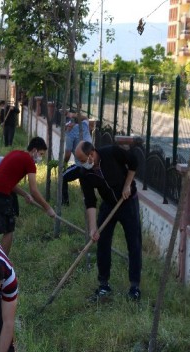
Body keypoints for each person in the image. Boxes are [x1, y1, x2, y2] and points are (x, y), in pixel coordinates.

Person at [75, 141, 142, 302]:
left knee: (134, 243)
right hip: (109, 205)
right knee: (102, 242)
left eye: (84, 160)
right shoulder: (85, 173)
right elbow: (90, 202)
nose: (83, 164)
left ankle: (134, 287)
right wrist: (93, 229)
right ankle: (104, 285)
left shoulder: (111, 152)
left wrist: (127, 185)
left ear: (92, 154)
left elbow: (134, 161)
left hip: (128, 202)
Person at [0, 137, 56, 254]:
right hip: (1, 196)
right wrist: (48, 208)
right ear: (35, 150)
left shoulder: (14, 153)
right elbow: (34, 190)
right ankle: (3, 263)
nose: (40, 158)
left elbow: (8, 183)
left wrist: (25, 194)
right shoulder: (29, 162)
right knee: (9, 230)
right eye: (41, 154)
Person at [61, 114, 92, 205]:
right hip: (92, 162)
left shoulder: (69, 135)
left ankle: (64, 203)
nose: (67, 128)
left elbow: (67, 154)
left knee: (62, 177)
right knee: (85, 182)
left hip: (81, 165)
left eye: (66, 126)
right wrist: (74, 114)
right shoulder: (83, 125)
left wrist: (64, 164)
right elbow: (86, 118)